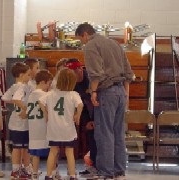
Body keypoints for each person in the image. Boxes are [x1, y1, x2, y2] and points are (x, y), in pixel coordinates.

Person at [75, 24, 134, 180]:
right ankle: (119, 171)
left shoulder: (91, 45)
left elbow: (96, 73)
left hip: (106, 92)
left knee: (104, 133)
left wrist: (94, 92)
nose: (82, 43)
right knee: (118, 133)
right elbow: (128, 72)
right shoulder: (114, 43)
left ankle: (106, 172)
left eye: (81, 39)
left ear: (85, 34)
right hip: (121, 91)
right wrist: (125, 94)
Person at [39, 68, 83, 180]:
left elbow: (40, 101)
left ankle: (48, 175)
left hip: (54, 127)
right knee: (69, 152)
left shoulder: (51, 93)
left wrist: (46, 113)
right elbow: (80, 105)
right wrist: (78, 114)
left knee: (53, 151)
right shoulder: (73, 94)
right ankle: (72, 175)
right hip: (68, 128)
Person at [64, 59, 97, 178]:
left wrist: (95, 119)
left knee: (99, 139)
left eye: (72, 71)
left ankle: (100, 166)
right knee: (90, 138)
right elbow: (79, 105)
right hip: (85, 114)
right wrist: (86, 122)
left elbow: (96, 100)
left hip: (98, 110)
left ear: (80, 69)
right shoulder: (72, 84)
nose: (71, 74)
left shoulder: (91, 79)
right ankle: (91, 166)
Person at [1, 62, 31, 179]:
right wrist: (25, 108)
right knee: (20, 148)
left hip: (15, 121)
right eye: (28, 75)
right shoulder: (22, 86)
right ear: (21, 75)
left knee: (19, 147)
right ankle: (16, 170)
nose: (29, 77)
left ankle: (18, 169)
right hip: (20, 122)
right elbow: (16, 99)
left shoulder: (14, 86)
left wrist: (15, 103)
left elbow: (5, 98)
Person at [27, 70, 53, 180]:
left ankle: (34, 173)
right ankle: (52, 172)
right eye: (48, 84)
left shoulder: (31, 95)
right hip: (43, 127)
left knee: (35, 154)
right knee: (52, 151)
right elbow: (48, 111)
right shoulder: (45, 95)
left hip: (33, 128)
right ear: (43, 82)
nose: (49, 86)